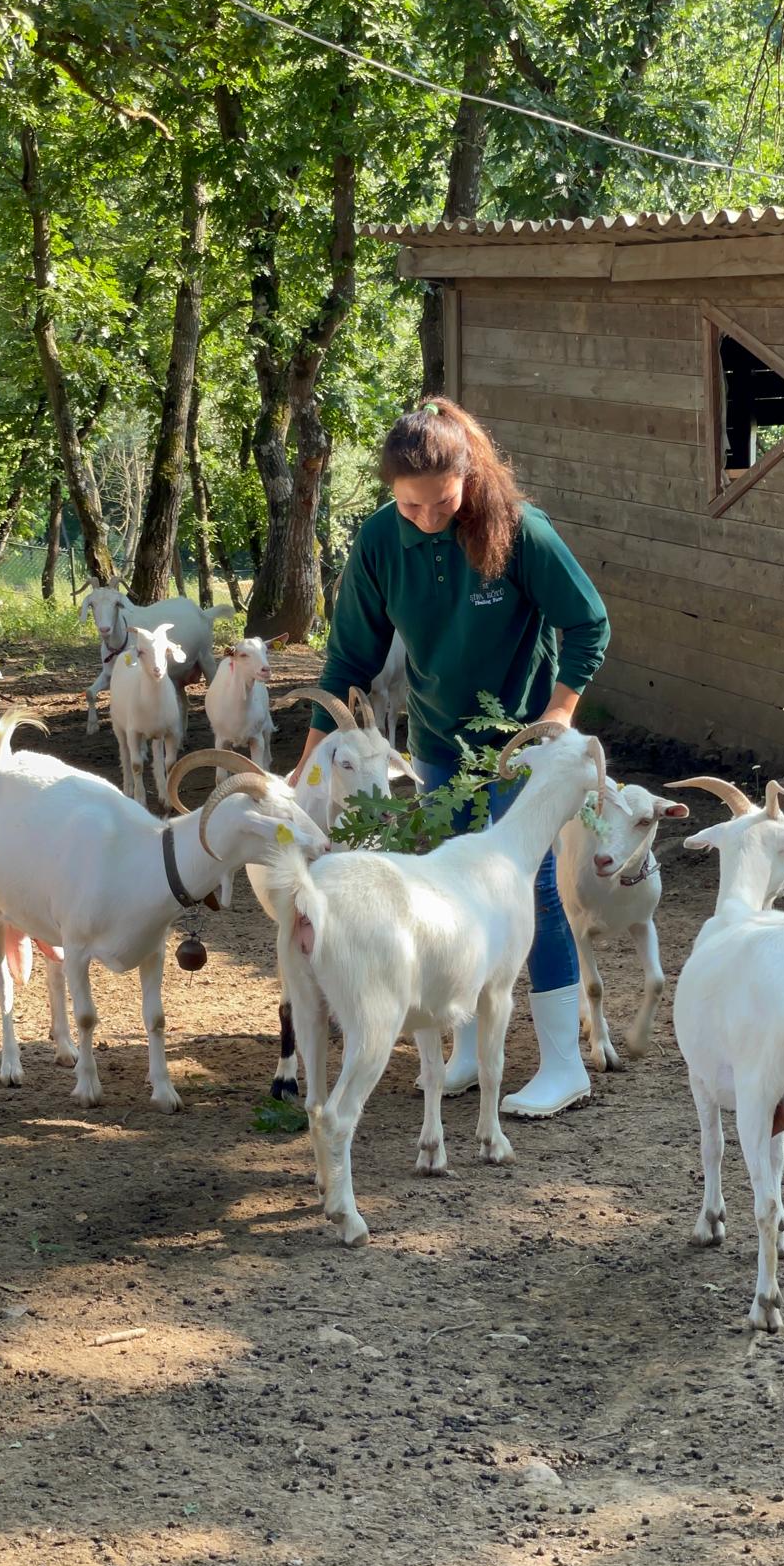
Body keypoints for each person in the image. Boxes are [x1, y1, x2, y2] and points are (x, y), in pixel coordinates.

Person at [289, 397, 611, 1118]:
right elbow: (348, 660)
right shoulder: (378, 543)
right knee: (449, 894)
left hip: (518, 750)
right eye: (410, 505)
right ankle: (465, 1049)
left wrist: (558, 715)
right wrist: (305, 769)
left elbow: (587, 621)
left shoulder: (520, 531)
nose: (428, 517)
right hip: (437, 747)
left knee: (527, 891)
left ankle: (563, 1063)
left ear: (468, 474)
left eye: (441, 502)